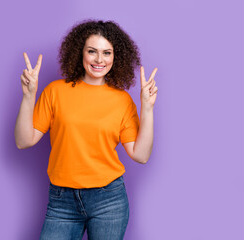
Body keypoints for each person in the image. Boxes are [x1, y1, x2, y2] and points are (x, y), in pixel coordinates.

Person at [14, 19, 158, 240]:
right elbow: (24, 141)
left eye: (107, 53)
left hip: (108, 200)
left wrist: (147, 108)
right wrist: (28, 96)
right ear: (80, 52)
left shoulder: (122, 100)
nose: (99, 59)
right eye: (92, 51)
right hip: (62, 201)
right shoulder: (55, 91)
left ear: (115, 56)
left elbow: (140, 155)